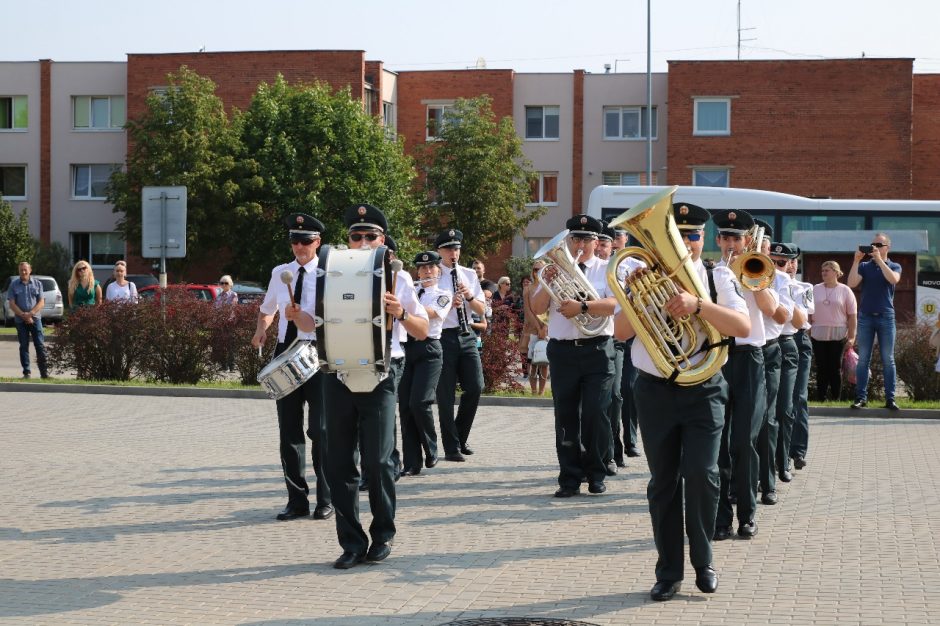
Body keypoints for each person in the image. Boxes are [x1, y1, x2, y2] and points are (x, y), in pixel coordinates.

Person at [614, 202, 750, 601]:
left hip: (704, 388)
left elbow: (741, 326)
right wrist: (634, 297)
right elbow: (621, 332)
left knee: (704, 475)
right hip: (655, 391)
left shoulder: (717, 275)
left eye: (691, 236)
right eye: (679, 235)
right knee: (663, 484)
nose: (686, 243)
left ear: (701, 239)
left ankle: (704, 561)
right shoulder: (642, 279)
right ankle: (668, 572)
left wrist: (699, 306)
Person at [290, 203, 429, 569]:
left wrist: (400, 312)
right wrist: (296, 316)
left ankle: (383, 534)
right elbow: (312, 322)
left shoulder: (397, 277)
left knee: (379, 461)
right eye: (356, 236)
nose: (363, 241)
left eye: (371, 236)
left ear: (383, 240)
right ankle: (351, 542)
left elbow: (423, 330)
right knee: (338, 464)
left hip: (383, 373)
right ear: (347, 240)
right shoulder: (329, 272)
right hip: (336, 373)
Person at [251, 213, 332, 523]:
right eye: (295, 241)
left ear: (318, 242)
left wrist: (302, 318)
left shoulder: (329, 275)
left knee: (322, 431)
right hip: (286, 350)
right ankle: (296, 500)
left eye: (306, 241)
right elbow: (266, 310)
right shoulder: (280, 273)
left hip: (318, 351)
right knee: (289, 432)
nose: (299, 247)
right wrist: (262, 328)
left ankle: (326, 499)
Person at [530, 214, 617, 498]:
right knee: (565, 416)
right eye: (575, 239)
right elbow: (538, 307)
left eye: (586, 239)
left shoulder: (607, 269)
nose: (580, 244)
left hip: (597, 349)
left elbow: (616, 304)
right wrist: (547, 282)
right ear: (568, 241)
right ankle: (569, 477)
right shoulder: (554, 270)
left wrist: (582, 306)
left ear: (596, 241)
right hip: (563, 350)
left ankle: (596, 472)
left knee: (595, 414)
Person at [711, 210, 782, 541]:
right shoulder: (711, 273)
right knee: (719, 445)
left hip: (751, 359)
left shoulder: (757, 270)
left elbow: (770, 310)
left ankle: (747, 515)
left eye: (736, 239)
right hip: (718, 358)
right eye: (725, 238)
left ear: (746, 241)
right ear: (718, 240)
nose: (730, 244)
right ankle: (721, 518)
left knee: (744, 442)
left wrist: (752, 279)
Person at [436, 230, 487, 461]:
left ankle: (459, 435)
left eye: (456, 249)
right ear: (439, 251)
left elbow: (481, 310)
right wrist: (449, 304)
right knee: (445, 393)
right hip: (443, 336)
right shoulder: (433, 274)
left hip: (466, 335)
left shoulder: (468, 274)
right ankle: (451, 447)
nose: (453, 253)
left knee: (476, 386)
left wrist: (468, 297)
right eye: (448, 249)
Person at [399, 251, 451, 476]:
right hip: (406, 348)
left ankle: (431, 447)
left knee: (419, 402)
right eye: (423, 268)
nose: (427, 271)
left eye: (431, 268)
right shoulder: (411, 291)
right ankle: (412, 462)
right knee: (405, 407)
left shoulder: (443, 293)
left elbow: (432, 314)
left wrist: (403, 308)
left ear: (438, 271)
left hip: (429, 349)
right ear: (417, 271)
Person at [848, 232, 902, 410]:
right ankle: (861, 398)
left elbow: (893, 279)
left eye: (879, 245)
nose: (875, 248)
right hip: (866, 317)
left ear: (888, 247)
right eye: (873, 245)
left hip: (886, 316)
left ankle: (890, 399)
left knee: (888, 359)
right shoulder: (864, 266)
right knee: (863, 359)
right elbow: (852, 283)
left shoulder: (894, 265)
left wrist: (880, 261)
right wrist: (856, 261)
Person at [767, 242, 805, 487]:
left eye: (783, 262)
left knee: (785, 408)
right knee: (765, 411)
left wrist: (787, 291)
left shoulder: (798, 286)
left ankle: (784, 461)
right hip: (766, 344)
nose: (778, 266)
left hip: (787, 342)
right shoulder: (759, 278)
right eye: (774, 262)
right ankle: (765, 466)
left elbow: (800, 321)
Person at [810, 261, 857, 404]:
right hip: (818, 334)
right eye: (822, 270)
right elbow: (807, 311)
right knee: (821, 368)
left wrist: (852, 336)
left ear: (836, 272)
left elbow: (852, 315)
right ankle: (821, 399)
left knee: (835, 368)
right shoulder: (815, 289)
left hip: (839, 334)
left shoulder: (845, 290)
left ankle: (837, 399)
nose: (824, 273)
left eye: (827, 270)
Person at [787, 249, 817, 471]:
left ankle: (797, 451)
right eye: (782, 262)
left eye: (793, 262)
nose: (789, 265)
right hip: (777, 339)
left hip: (799, 340)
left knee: (799, 397)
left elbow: (802, 317)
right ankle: (780, 452)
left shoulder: (805, 288)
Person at [7, 261, 49, 379]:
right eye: (21, 270)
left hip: (35, 319)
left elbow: (41, 302)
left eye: (25, 270)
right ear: (19, 271)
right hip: (20, 321)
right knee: (23, 346)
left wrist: (30, 314)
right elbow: (12, 304)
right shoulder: (13, 285)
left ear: (30, 270)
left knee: (40, 345)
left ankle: (44, 374)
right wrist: (23, 315)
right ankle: (27, 373)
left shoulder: (38, 284)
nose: (23, 272)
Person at [523, 262, 549, 394]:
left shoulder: (550, 287)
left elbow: (551, 310)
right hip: (532, 328)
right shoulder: (527, 288)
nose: (537, 272)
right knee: (532, 361)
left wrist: (544, 327)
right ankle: (533, 391)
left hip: (547, 329)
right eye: (535, 269)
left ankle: (542, 392)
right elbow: (527, 311)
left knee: (544, 361)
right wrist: (538, 328)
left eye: (540, 269)